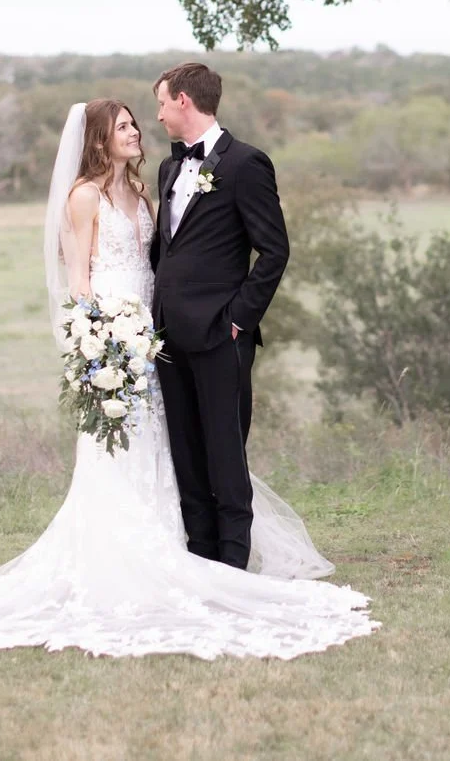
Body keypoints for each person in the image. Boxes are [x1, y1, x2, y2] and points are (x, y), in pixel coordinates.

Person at [0, 98, 376, 659]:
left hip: (158, 341)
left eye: (140, 118)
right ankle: (121, 563)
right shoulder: (84, 196)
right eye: (124, 126)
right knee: (119, 454)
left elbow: (167, 263)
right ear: (99, 140)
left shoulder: (145, 189)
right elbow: (77, 280)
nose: (138, 130)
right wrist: (97, 348)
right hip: (114, 344)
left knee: (169, 451)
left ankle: (186, 552)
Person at [150, 61, 286, 569]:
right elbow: (166, 252)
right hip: (167, 337)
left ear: (184, 100)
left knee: (225, 454)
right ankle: (199, 560)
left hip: (220, 336)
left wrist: (238, 321)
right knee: (184, 451)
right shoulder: (168, 168)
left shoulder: (246, 164)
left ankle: (233, 566)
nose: (159, 115)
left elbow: (273, 252)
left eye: (162, 103)